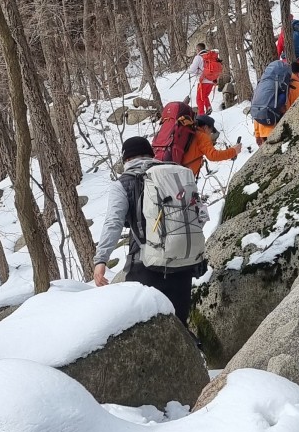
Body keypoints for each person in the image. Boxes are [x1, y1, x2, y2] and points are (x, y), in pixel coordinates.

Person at [92, 135, 208, 324]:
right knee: (180, 325)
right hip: (184, 262)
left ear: (126, 159)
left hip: (146, 265)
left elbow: (113, 222)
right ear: (151, 154)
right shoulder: (176, 174)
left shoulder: (123, 183)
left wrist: (101, 259)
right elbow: (200, 214)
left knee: (147, 329)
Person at [251, 58, 299, 143]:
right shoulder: (298, 87)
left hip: (263, 129)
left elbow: (261, 104)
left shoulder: (269, 84)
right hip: (279, 131)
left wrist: (257, 133)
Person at [185, 112, 242, 180]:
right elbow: (213, 156)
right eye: (211, 131)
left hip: (174, 172)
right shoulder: (202, 136)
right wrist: (233, 151)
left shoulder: (191, 133)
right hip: (183, 176)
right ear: (206, 127)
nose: (210, 134)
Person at [189, 43, 223, 115]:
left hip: (203, 81)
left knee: (199, 98)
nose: (196, 51)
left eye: (196, 49)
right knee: (204, 96)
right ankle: (208, 107)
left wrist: (189, 71)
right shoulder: (210, 57)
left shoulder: (198, 57)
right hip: (211, 80)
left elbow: (192, 69)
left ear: (198, 49)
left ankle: (201, 115)